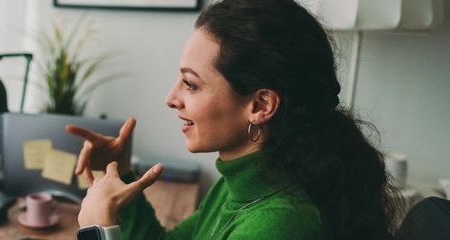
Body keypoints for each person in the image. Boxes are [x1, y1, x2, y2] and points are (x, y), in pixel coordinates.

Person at [67, 0, 403, 239]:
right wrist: (123, 174)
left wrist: (98, 232)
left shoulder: (279, 226)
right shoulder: (238, 185)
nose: (171, 99)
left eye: (190, 84)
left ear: (260, 105)